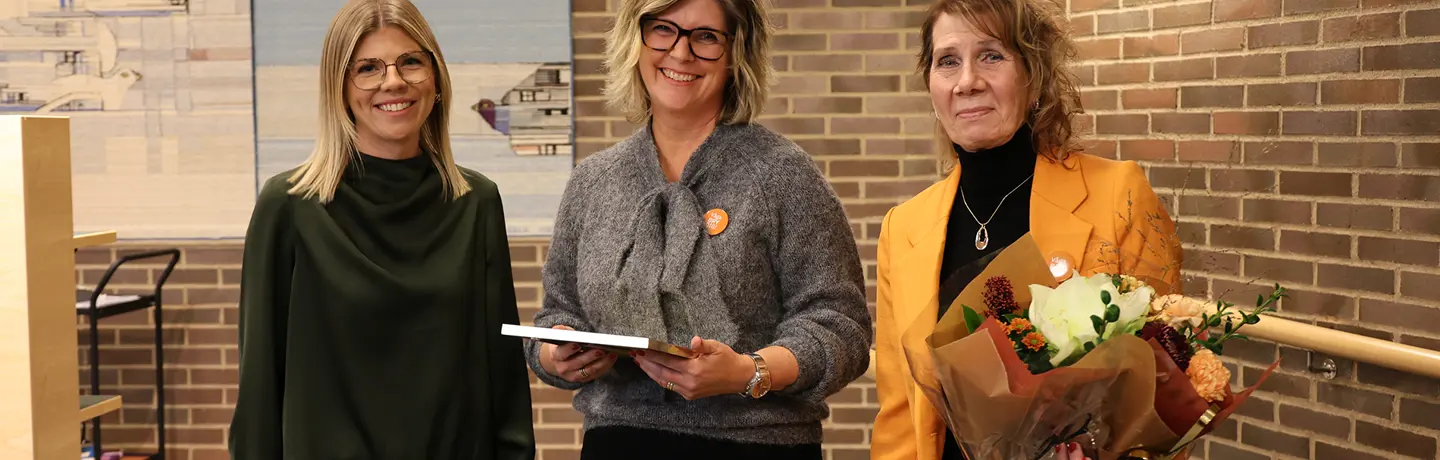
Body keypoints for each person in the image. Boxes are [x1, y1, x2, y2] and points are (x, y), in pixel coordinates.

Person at [521, 0, 872, 458]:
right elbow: (557, 315)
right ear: (636, 39)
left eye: (706, 37)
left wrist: (750, 371)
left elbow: (841, 327)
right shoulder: (592, 183)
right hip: (617, 442)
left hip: (757, 445)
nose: (681, 53)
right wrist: (555, 356)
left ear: (735, 55)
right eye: (663, 29)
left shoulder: (784, 174)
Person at [870, 0, 1184, 459]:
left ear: (1033, 75)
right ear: (931, 85)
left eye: (991, 55)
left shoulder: (1118, 194)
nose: (967, 82)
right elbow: (900, 409)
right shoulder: (904, 227)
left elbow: (1170, 381)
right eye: (948, 61)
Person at [228, 0, 535, 458]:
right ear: (340, 87)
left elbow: (503, 371)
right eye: (367, 68)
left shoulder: (476, 201)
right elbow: (259, 383)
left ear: (435, 78)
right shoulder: (289, 206)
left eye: (411, 61)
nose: (394, 81)